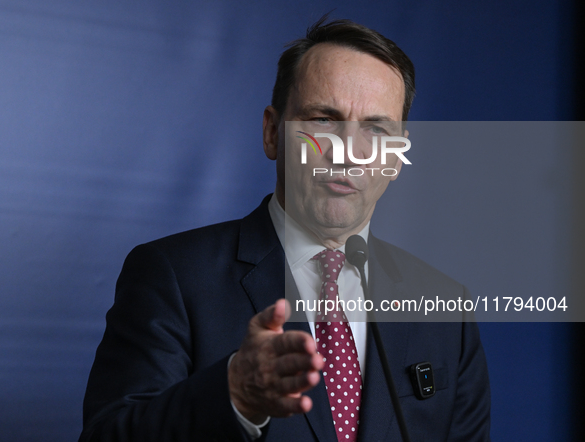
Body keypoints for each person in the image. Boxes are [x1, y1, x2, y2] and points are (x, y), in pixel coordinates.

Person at [79, 17, 490, 442]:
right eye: (324, 119)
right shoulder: (174, 276)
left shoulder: (445, 308)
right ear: (273, 132)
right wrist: (234, 393)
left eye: (375, 129)